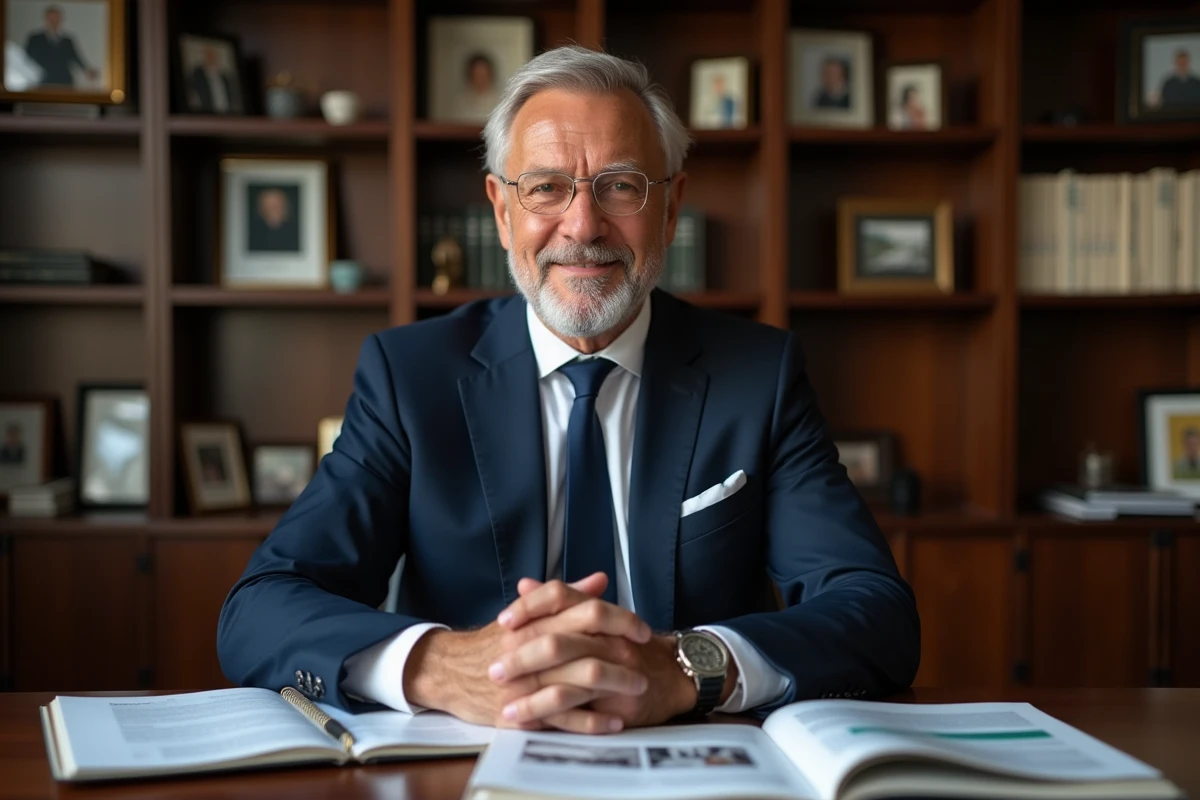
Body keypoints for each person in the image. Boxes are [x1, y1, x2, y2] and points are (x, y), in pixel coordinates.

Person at [218, 45, 919, 734]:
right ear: (501, 210)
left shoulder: (757, 376)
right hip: (466, 757)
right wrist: (441, 665)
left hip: (688, 755)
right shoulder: (411, 376)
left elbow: (875, 611)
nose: (582, 228)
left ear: (671, 207)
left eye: (620, 186)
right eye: (546, 187)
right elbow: (261, 607)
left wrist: (687, 667)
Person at [23, 5, 98, 88]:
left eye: (56, 19)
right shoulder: (35, 39)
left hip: (64, 81)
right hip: (42, 81)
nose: (54, 22)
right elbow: (26, 58)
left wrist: (87, 70)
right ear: (46, 19)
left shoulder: (68, 41)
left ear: (61, 20)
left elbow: (76, 57)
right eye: (51, 19)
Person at [246, 187, 300, 253]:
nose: (274, 209)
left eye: (277, 205)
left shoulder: (297, 234)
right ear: (260, 209)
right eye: (269, 206)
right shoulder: (252, 236)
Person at [189, 43, 239, 114]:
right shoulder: (198, 74)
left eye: (213, 56)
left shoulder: (223, 76)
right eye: (209, 55)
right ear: (205, 57)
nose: (212, 58)